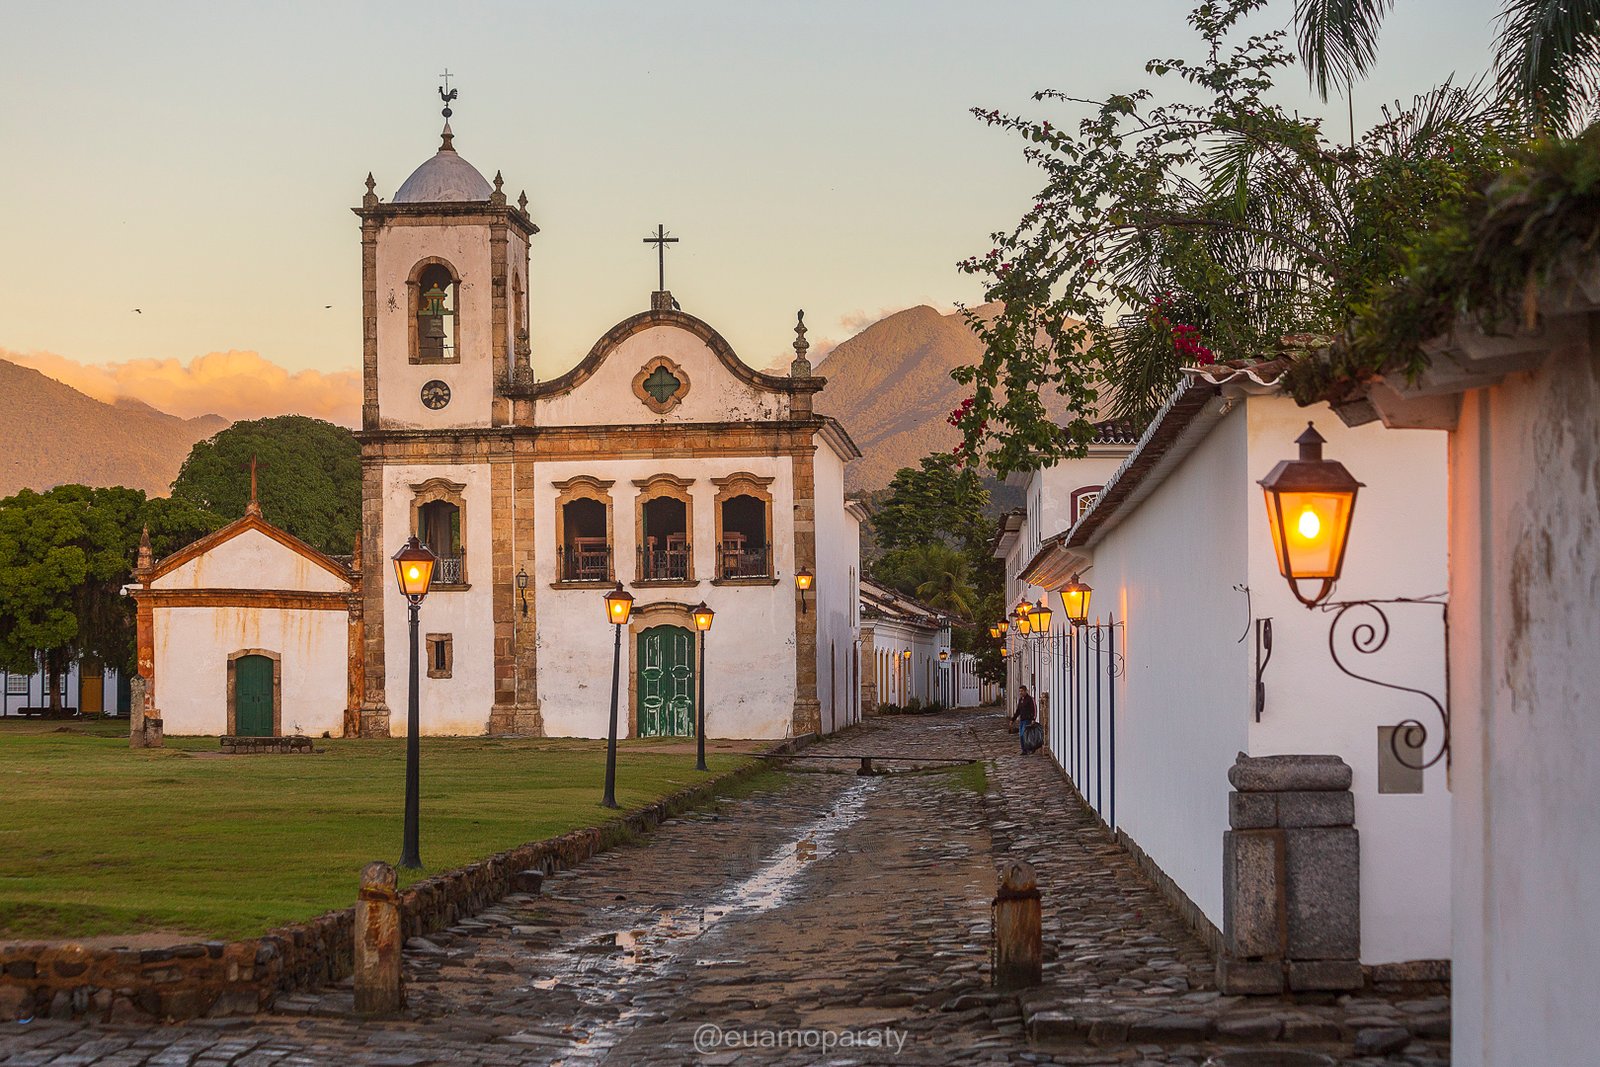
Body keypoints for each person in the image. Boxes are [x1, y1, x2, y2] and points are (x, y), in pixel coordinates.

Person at [1011, 685, 1037, 754]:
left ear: (1025, 691)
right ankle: (1024, 750)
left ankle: (1029, 748)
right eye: (1020, 691)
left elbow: (1034, 709)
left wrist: (1033, 719)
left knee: (1023, 734)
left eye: (1022, 691)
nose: (1020, 692)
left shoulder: (1030, 699)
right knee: (1021, 735)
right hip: (1022, 720)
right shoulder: (1020, 700)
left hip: (1027, 720)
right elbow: (1018, 711)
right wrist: (1013, 719)